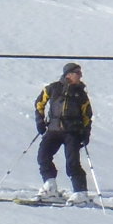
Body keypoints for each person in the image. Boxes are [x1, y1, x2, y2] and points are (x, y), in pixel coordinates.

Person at [34, 62, 94, 204]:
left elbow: (87, 115)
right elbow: (39, 104)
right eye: (78, 73)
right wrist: (40, 121)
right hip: (53, 130)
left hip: (72, 132)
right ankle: (50, 187)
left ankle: (80, 193)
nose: (80, 75)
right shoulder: (53, 88)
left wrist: (85, 133)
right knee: (43, 156)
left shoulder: (81, 94)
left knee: (72, 163)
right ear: (69, 74)